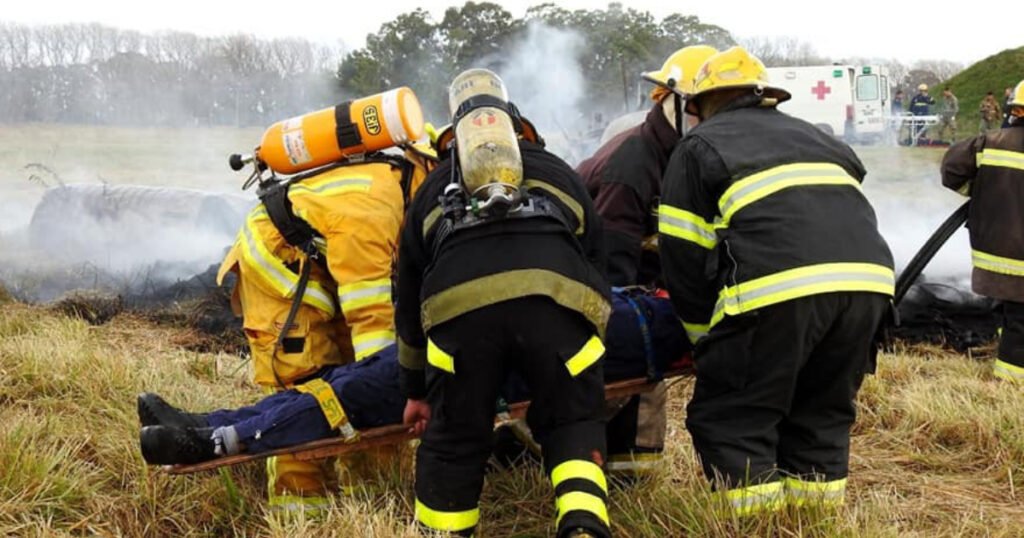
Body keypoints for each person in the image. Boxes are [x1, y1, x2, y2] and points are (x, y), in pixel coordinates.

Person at [658, 46, 895, 515]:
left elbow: (684, 257)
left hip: (776, 291)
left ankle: (758, 525)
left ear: (700, 104)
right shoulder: (820, 138)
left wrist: (704, 340)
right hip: (870, 287)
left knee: (734, 417)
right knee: (820, 414)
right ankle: (815, 520)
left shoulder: (698, 147)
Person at [397, 68, 611, 538]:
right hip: (558, 301)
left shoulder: (432, 188)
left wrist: (415, 389)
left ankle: (444, 533)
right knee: (573, 419)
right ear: (520, 129)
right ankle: (583, 526)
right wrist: (584, 342)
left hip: (458, 312)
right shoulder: (559, 170)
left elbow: (407, 297)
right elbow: (598, 257)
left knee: (454, 438)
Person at [137, 289, 689, 465]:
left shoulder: (654, 329)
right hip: (463, 336)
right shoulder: (643, 302)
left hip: (480, 367)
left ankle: (214, 441)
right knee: (345, 379)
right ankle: (209, 421)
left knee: (351, 396)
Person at [214, 90, 436, 514]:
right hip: (277, 266)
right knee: (309, 377)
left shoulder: (401, 186)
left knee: (353, 375)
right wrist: (396, 388)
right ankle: (299, 508)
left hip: (319, 264)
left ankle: (368, 496)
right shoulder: (375, 208)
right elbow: (370, 313)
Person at [576, 44, 715, 479]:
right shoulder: (634, 162)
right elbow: (612, 266)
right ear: (670, 102)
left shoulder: (686, 156)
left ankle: (628, 467)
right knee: (628, 354)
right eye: (700, 107)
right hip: (590, 281)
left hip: (643, 282)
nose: (710, 118)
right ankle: (544, 445)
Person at [941, 80, 1024, 385]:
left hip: (997, 251)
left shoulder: (991, 142)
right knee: (1020, 320)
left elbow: (952, 171)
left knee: (1013, 308)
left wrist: (981, 190)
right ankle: (1012, 382)